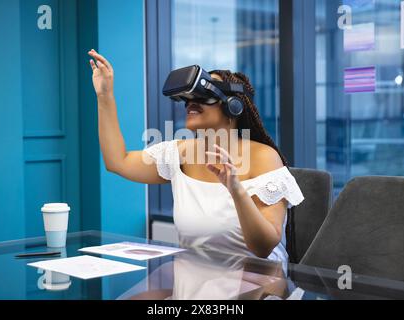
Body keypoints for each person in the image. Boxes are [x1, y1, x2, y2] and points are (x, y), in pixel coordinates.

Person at [88, 49, 304, 264]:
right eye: (188, 97)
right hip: (194, 280)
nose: (191, 102)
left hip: (257, 285)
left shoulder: (263, 158)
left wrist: (236, 189)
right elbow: (118, 162)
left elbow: (263, 248)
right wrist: (104, 96)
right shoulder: (180, 153)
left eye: (204, 95)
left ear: (233, 106)